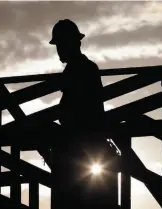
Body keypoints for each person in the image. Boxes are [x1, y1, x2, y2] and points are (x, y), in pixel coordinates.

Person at [49, 19, 120, 209]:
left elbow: (75, 109)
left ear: (72, 44)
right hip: (88, 146)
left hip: (80, 147)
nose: (59, 51)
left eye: (61, 46)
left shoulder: (78, 70)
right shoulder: (86, 68)